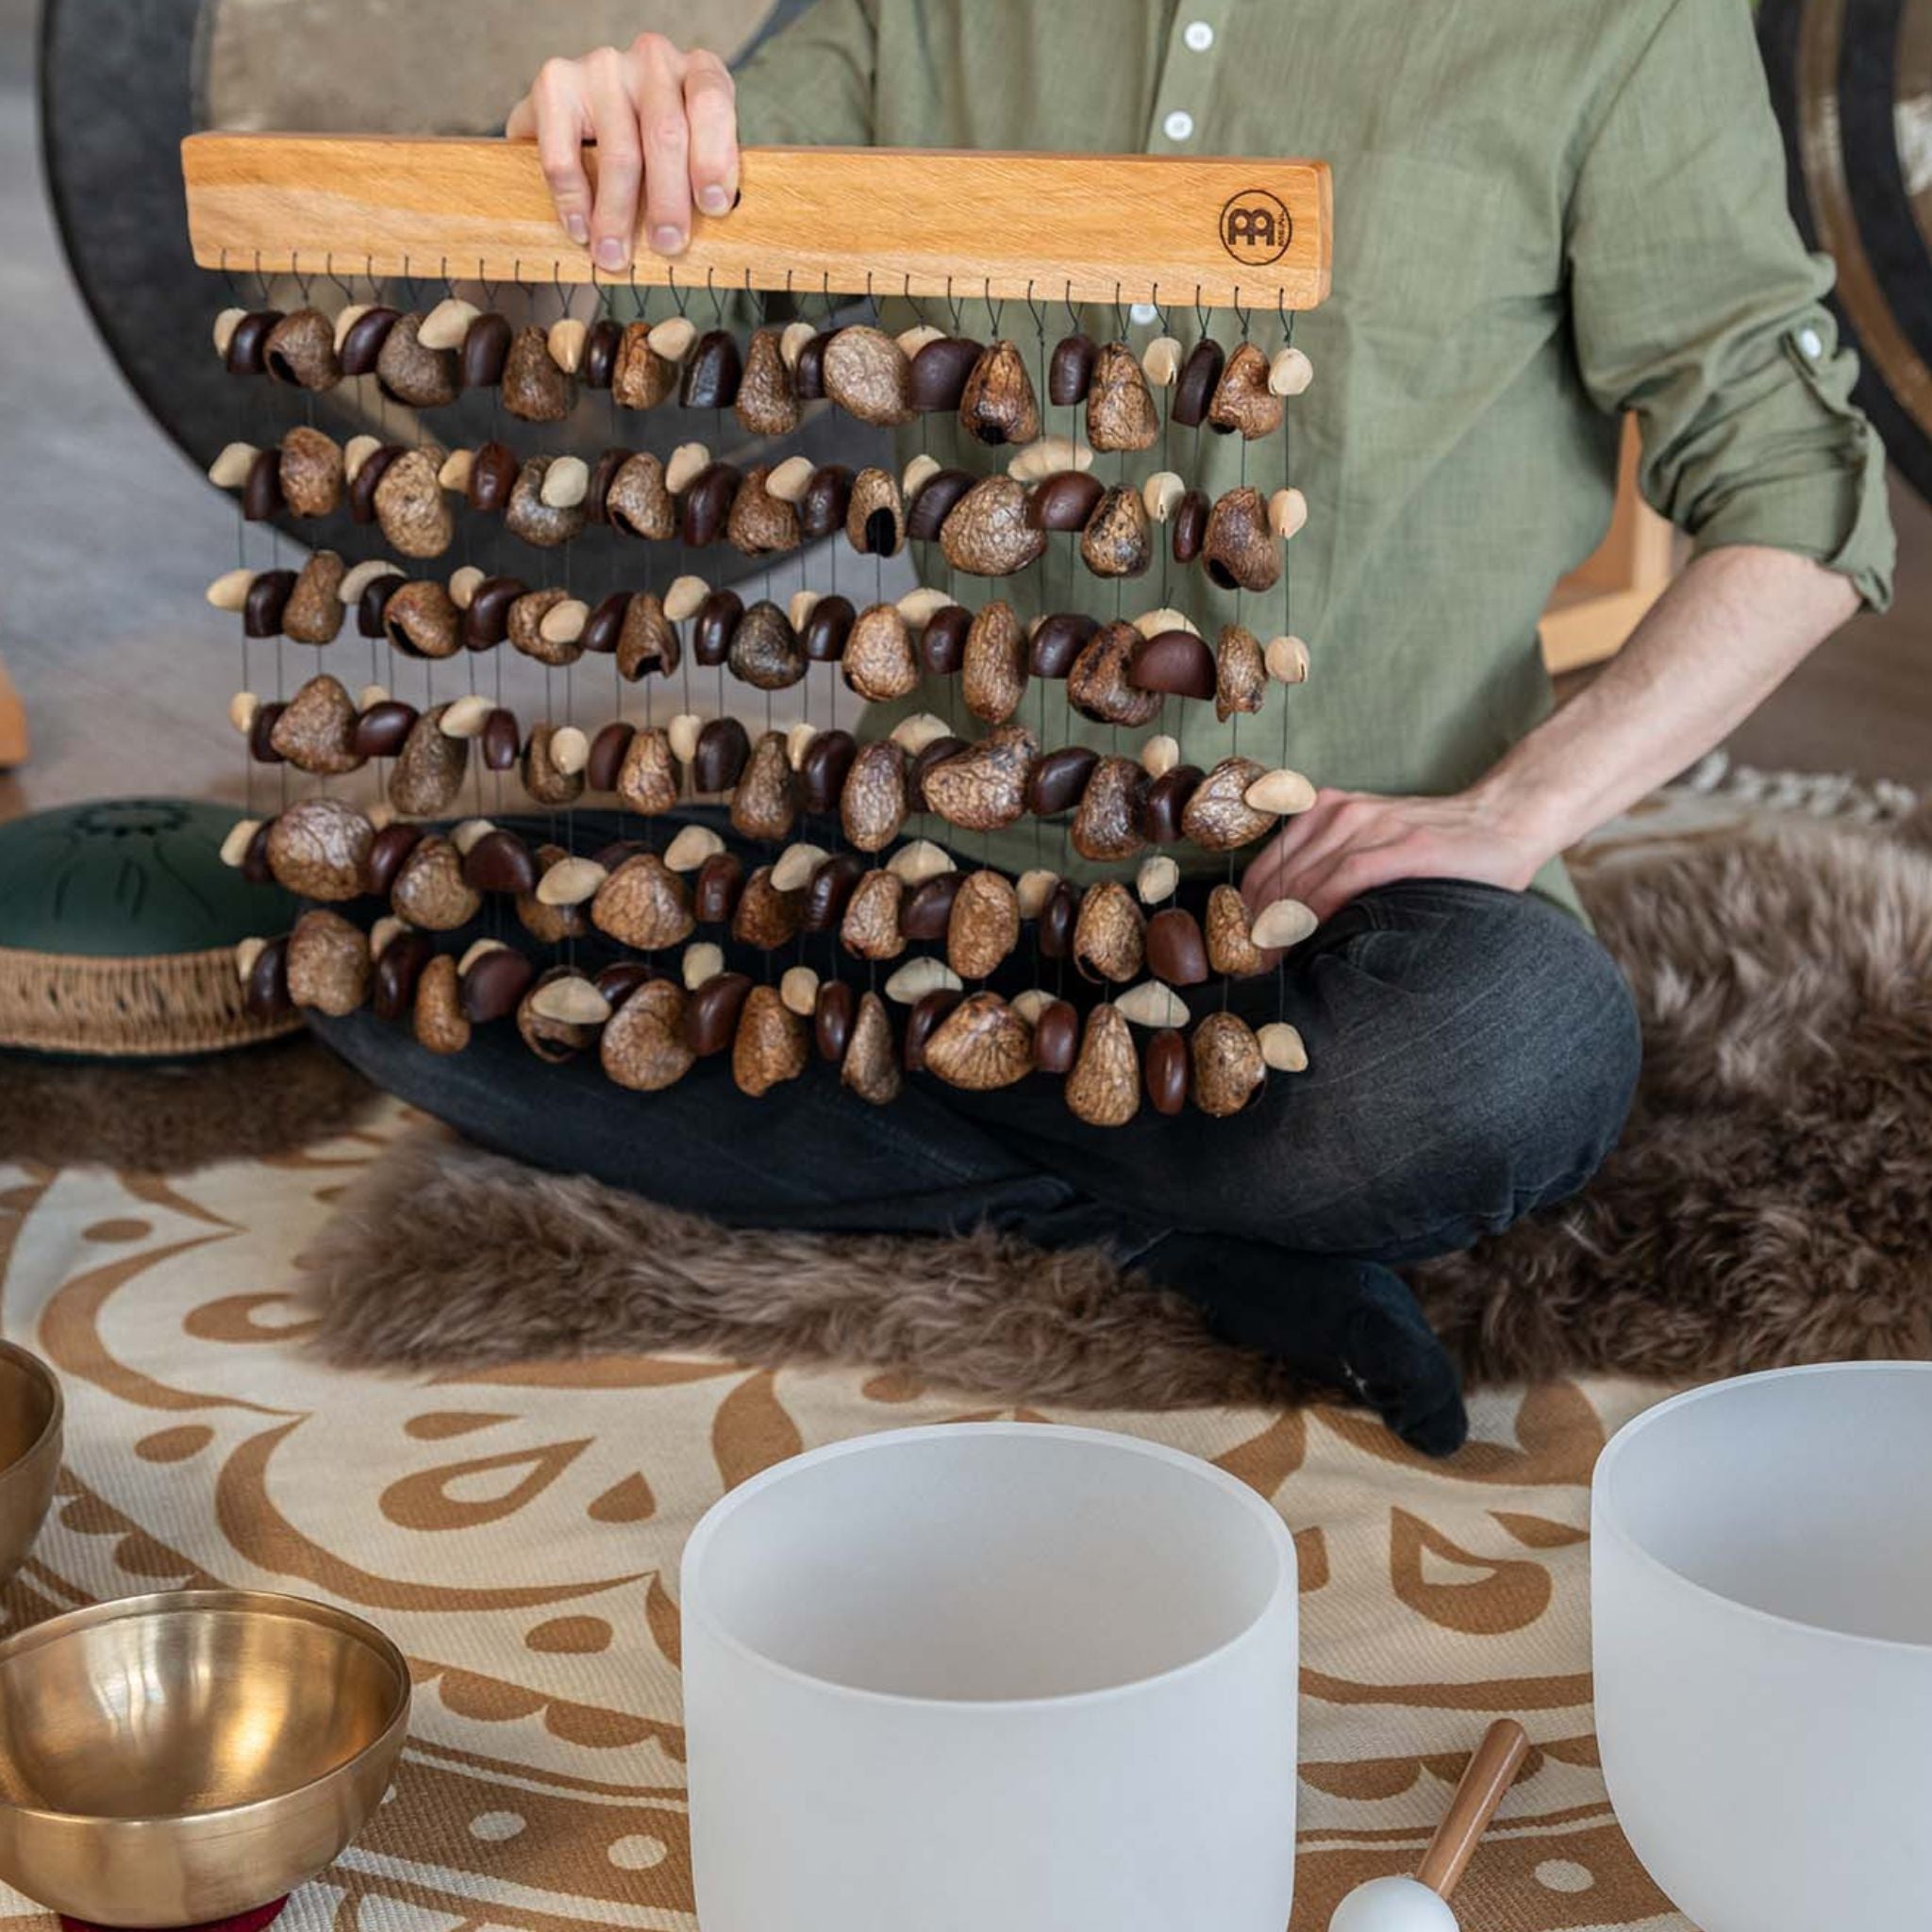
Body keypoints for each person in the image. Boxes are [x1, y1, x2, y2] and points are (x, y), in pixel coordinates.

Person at [406, 1, 1891, 1454]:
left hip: (1347, 947)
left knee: (1506, 1065)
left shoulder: (1620, 21)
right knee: (411, 947)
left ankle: (938, 1133)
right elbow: (636, 346)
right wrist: (596, 151)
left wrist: (1517, 811)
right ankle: (1178, 1226)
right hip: (935, 891)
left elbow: (1800, 495)